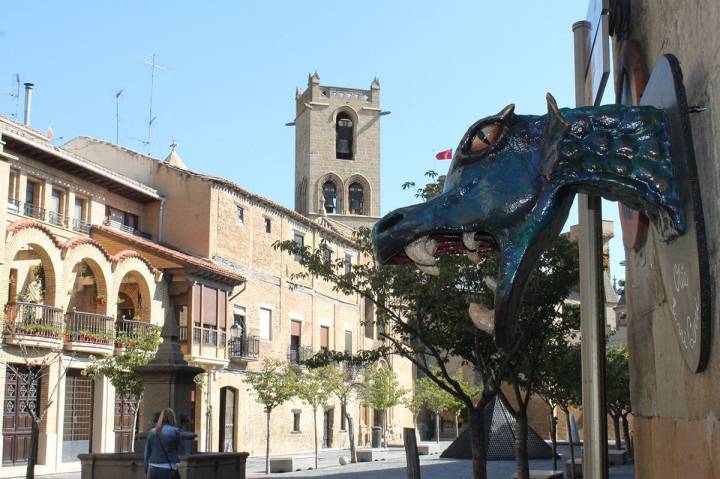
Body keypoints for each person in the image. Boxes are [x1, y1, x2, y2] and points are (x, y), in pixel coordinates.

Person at [144, 407, 183, 479]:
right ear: (172, 418)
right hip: (167, 468)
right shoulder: (175, 431)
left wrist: (146, 468)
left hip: (152, 467)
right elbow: (179, 450)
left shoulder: (152, 432)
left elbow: (147, 453)